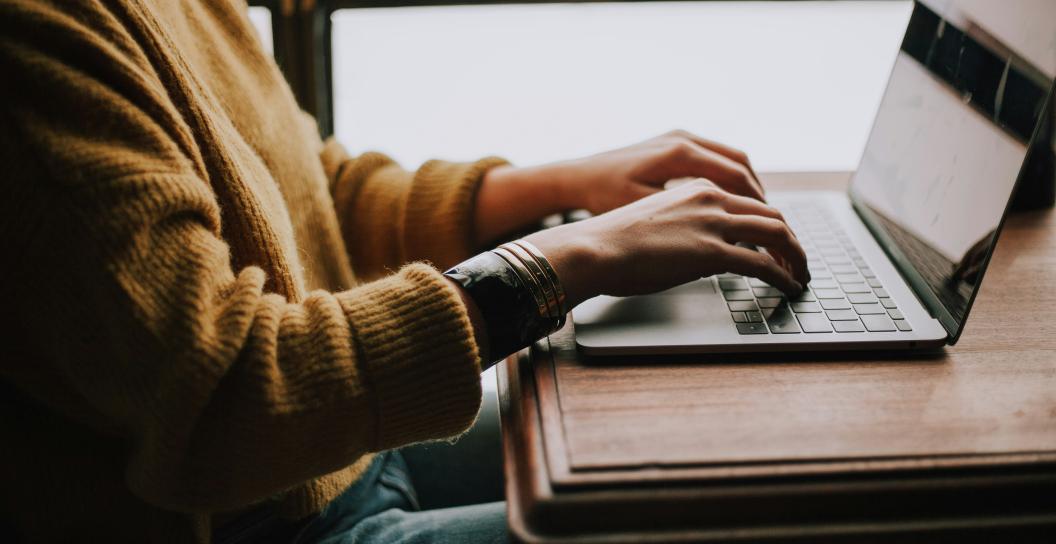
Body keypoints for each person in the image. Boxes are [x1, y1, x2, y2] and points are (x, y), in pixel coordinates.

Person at [0, 1, 808, 542]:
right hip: (268, 520)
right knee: (754, 523)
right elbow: (225, 402)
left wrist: (563, 186)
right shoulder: (32, 42)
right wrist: (566, 260)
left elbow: (307, 193)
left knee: (747, 455)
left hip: (342, 453)